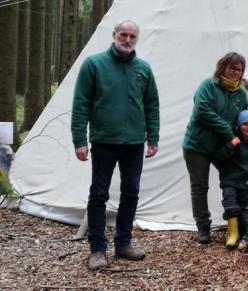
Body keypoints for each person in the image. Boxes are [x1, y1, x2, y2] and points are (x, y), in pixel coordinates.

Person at [71, 20, 160, 270]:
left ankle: (123, 243)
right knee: (99, 193)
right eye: (123, 34)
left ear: (137, 38)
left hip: (134, 143)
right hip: (104, 141)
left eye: (132, 35)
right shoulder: (94, 65)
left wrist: (153, 137)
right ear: (114, 35)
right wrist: (80, 140)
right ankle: (97, 249)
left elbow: (152, 104)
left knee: (131, 192)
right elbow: (81, 104)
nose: (128, 39)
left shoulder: (143, 69)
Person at [183, 52, 248, 244]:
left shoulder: (241, 95)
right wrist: (228, 132)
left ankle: (236, 223)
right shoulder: (208, 86)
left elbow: (244, 121)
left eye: (239, 70)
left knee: (235, 180)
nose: (235, 73)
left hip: (223, 147)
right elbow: (202, 112)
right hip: (197, 145)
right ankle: (203, 227)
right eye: (232, 68)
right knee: (200, 186)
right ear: (223, 67)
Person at [216, 110, 248, 248]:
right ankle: (232, 234)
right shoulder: (231, 138)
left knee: (243, 207)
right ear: (239, 125)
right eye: (245, 124)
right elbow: (220, 157)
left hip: (245, 181)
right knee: (231, 204)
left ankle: (245, 232)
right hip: (229, 179)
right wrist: (231, 145)